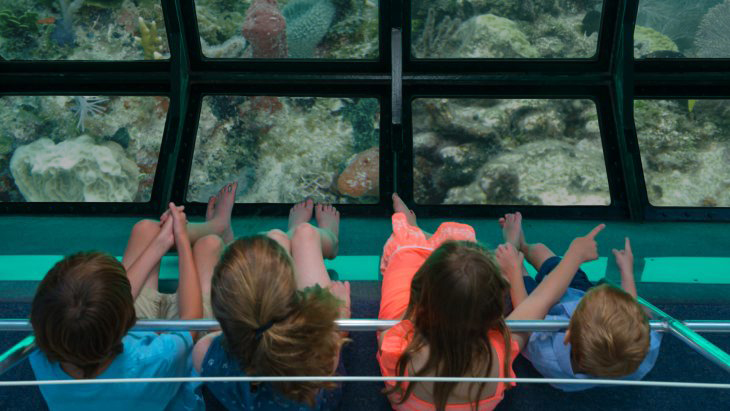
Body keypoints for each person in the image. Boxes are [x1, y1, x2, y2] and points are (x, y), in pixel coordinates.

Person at [377, 194, 604, 411]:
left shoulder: (395, 346)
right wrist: (574, 255)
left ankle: (410, 230)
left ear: (421, 302)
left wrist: (575, 256)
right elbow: (542, 298)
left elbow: (543, 297)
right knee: (469, 267)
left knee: (405, 256)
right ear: (496, 310)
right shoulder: (499, 353)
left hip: (410, 375)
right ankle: (423, 236)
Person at [29, 202, 205, 411]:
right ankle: (211, 231)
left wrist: (162, 241)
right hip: (167, 393)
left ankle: (206, 229)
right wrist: (182, 239)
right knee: (208, 246)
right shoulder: (156, 358)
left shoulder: (40, 354)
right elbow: (191, 322)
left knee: (145, 230)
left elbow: (102, 309)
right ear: (128, 321)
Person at [192, 199, 350, 411]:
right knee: (305, 234)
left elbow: (227, 337)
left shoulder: (203, 352)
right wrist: (341, 314)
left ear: (219, 310)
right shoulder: (318, 352)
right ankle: (320, 237)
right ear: (293, 292)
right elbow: (333, 349)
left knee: (277, 237)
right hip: (315, 391)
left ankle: (287, 235)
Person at [499, 212, 661, 391]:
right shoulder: (643, 347)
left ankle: (514, 247)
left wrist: (514, 270)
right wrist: (627, 273)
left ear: (568, 335)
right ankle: (524, 246)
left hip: (536, 315)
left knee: (514, 269)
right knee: (540, 250)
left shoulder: (548, 353)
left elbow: (526, 317)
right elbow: (631, 315)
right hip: (575, 294)